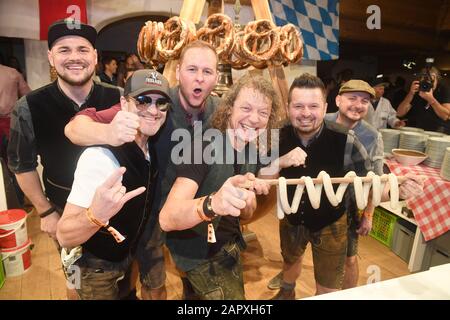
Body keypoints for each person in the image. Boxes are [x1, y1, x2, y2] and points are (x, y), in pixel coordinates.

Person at [64, 40, 221, 299]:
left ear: (216, 76)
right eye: (192, 69)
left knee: (176, 278)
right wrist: (108, 132)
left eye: (207, 71)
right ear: (179, 70)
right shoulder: (154, 99)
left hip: (185, 211)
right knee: (124, 280)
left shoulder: (217, 110)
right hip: (135, 216)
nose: (200, 78)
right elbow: (73, 128)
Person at [263, 74, 424, 299]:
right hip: (290, 218)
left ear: (325, 107)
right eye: (298, 106)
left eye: (313, 106)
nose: (306, 113)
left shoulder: (346, 140)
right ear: (288, 107)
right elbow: (260, 177)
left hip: (332, 223)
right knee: (290, 258)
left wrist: (394, 190)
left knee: (328, 285)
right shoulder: (276, 135)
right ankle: (287, 291)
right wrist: (280, 161)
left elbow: (369, 184)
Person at [159, 74, 279, 300]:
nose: (254, 119)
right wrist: (213, 203)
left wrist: (247, 202)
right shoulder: (202, 148)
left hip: (228, 244)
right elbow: (167, 218)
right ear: (230, 108)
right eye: (246, 108)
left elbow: (244, 215)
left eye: (263, 112)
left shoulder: (251, 150)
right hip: (199, 254)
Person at [57, 69, 170, 300]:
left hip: (126, 255)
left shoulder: (152, 144)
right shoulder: (100, 156)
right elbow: (64, 235)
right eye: (142, 100)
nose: (152, 110)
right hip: (94, 266)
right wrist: (94, 215)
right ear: (123, 103)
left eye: (161, 103)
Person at [325, 79, 382, 289]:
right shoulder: (321, 122)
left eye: (365, 101)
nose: (358, 105)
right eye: (352, 98)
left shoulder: (372, 136)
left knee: (349, 257)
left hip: (348, 205)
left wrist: (368, 213)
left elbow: (375, 179)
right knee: (300, 248)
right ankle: (288, 285)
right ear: (338, 100)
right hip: (315, 198)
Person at [397, 67, 450, 134]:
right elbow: (400, 113)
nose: (428, 83)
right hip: (418, 132)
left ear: (437, 80)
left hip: (438, 133)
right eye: (425, 80)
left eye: (432, 81)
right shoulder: (417, 91)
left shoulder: (443, 90)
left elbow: (445, 116)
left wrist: (431, 100)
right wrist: (410, 93)